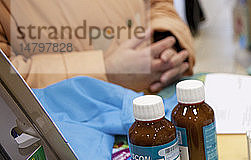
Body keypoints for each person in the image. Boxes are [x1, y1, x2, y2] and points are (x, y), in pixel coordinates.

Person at [0, 0, 195, 92]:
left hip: (158, 95)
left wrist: (166, 43)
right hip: (70, 135)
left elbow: (159, 5)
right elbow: (7, 72)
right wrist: (105, 71)